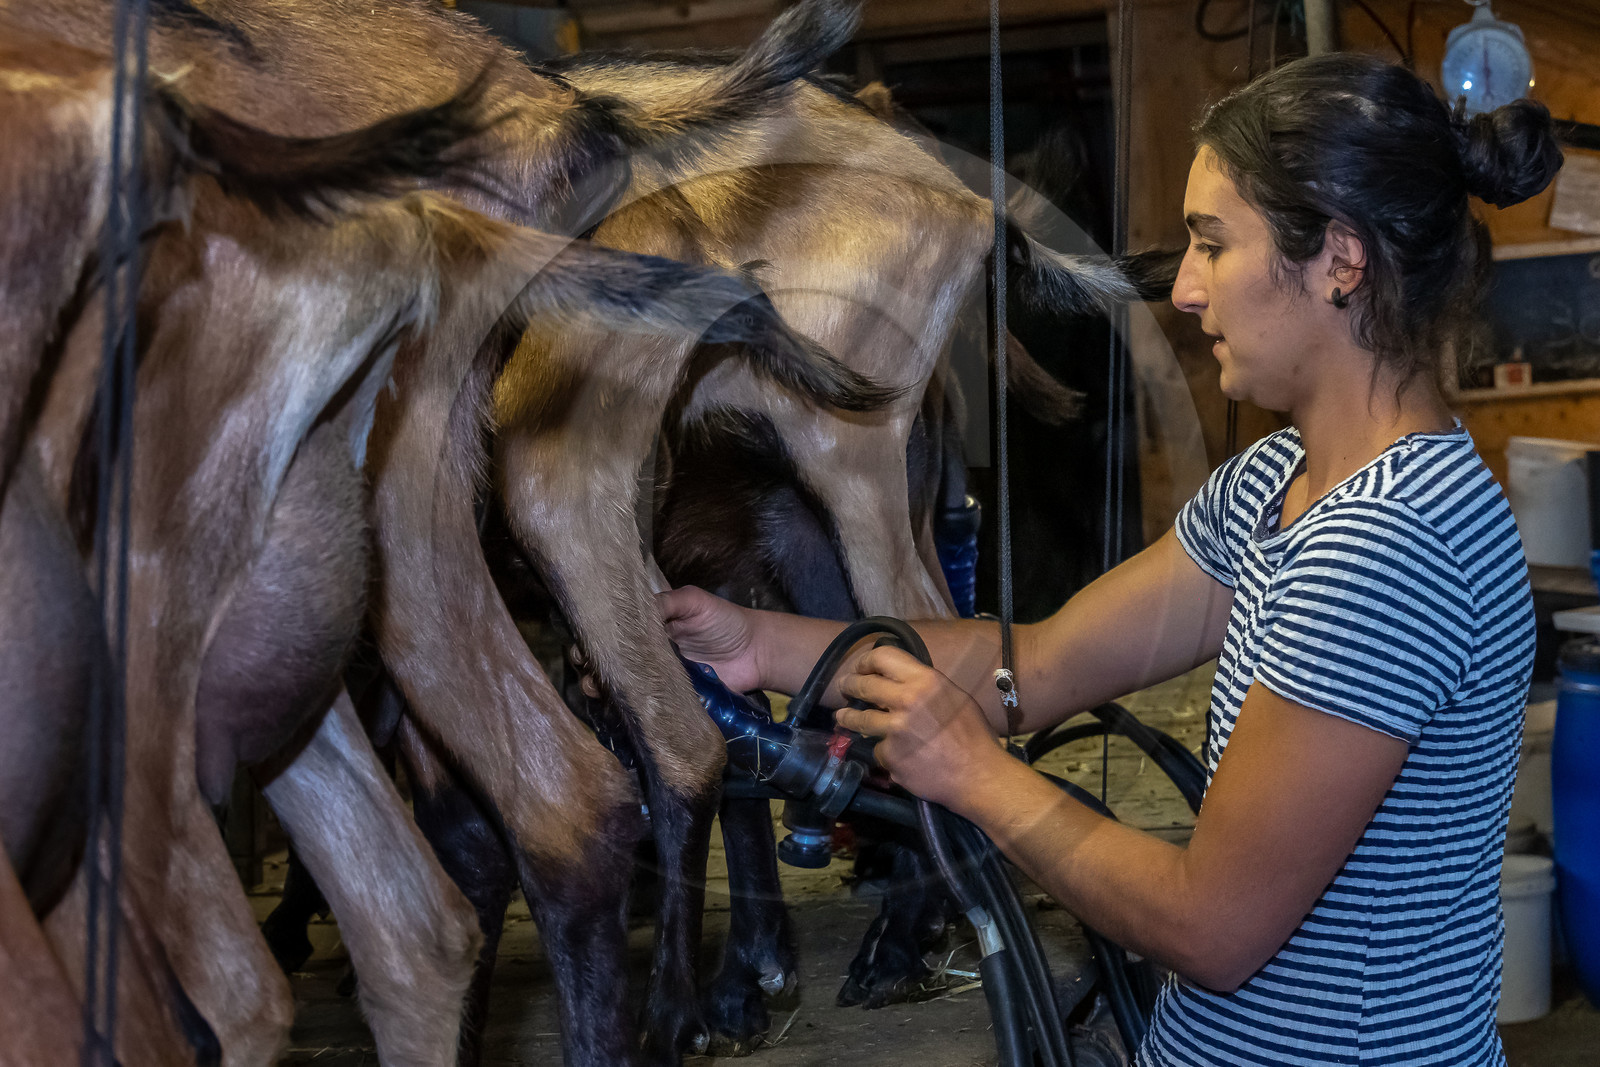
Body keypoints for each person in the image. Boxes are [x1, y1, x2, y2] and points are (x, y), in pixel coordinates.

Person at [659, 52, 1563, 1066]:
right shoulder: (1276, 482)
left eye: (1213, 244)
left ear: (1338, 260)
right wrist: (756, 643)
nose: (1185, 289)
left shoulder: (1392, 544)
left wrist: (976, 775)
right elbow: (1038, 664)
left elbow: (1213, 925)